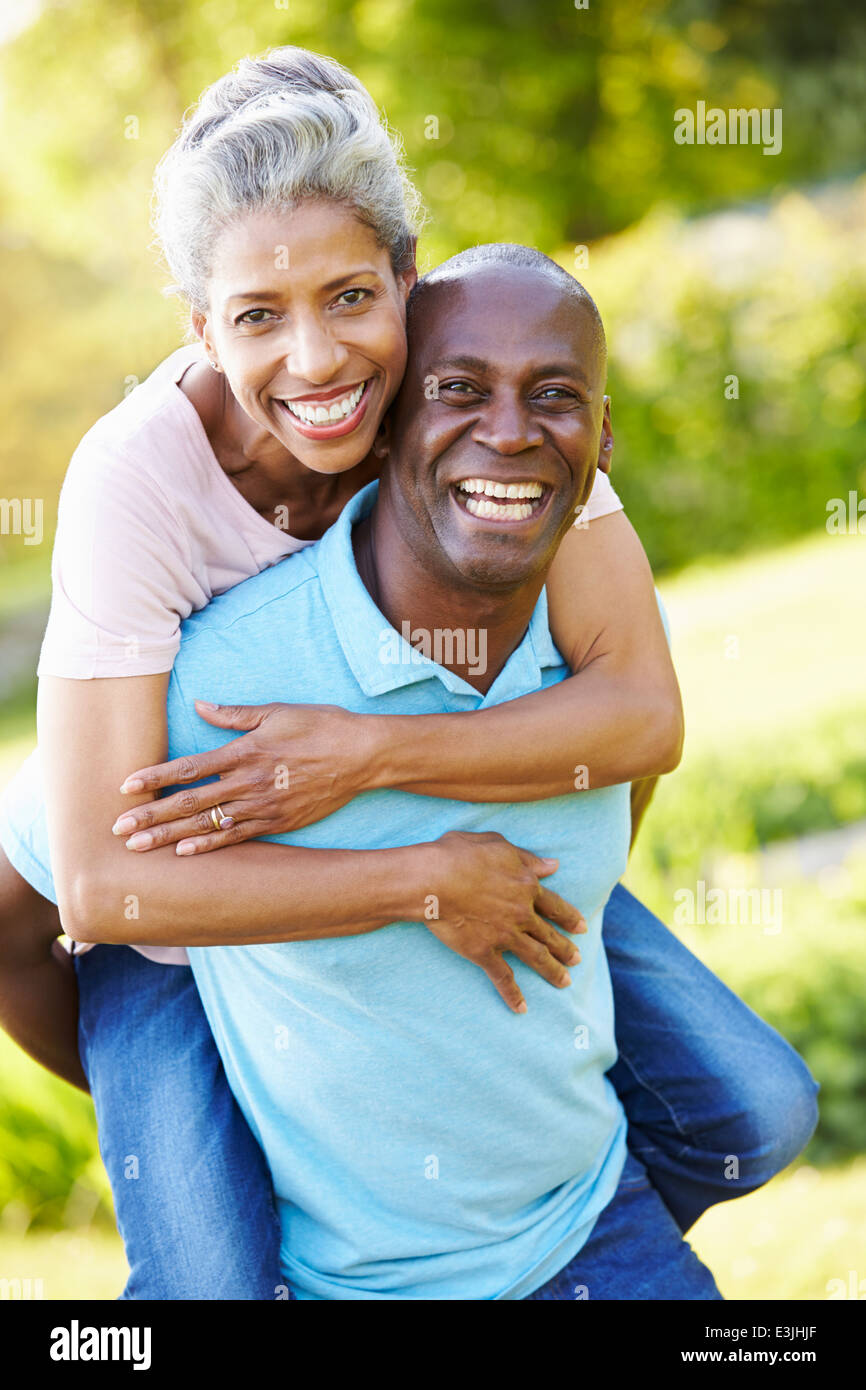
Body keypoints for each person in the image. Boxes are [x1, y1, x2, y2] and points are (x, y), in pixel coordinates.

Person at [0, 48, 816, 1299]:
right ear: (199, 326)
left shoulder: (461, 394)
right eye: (258, 317)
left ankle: (543, 1238)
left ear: (407, 277)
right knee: (215, 1280)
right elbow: (99, 886)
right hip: (154, 859)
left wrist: (383, 763)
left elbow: (638, 708)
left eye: (348, 298)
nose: (318, 362)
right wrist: (424, 885)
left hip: (374, 803)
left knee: (754, 1104)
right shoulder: (135, 482)